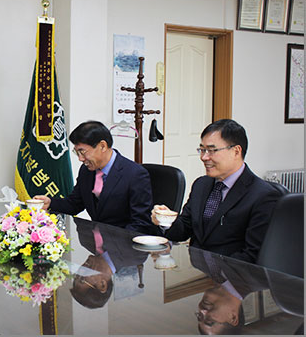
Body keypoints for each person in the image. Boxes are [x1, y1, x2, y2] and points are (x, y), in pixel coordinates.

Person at [151, 119, 282, 263]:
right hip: (197, 272)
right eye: (202, 150)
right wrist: (166, 221)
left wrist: (220, 281)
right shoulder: (201, 184)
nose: (204, 157)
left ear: (236, 151)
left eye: (212, 150)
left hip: (232, 279)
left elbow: (253, 255)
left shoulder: (264, 195)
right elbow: (185, 229)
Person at [34, 120, 157, 234]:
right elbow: (74, 204)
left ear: (102, 146)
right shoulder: (87, 170)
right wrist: (50, 203)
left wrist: (115, 249)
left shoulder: (135, 174)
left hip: (122, 249)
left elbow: (140, 224)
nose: (80, 159)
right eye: (77, 152)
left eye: (82, 152)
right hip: (94, 243)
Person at [70, 218, 149, 308]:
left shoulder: (85, 240)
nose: (80, 269)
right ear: (102, 284)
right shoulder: (135, 254)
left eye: (77, 275)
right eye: (82, 279)